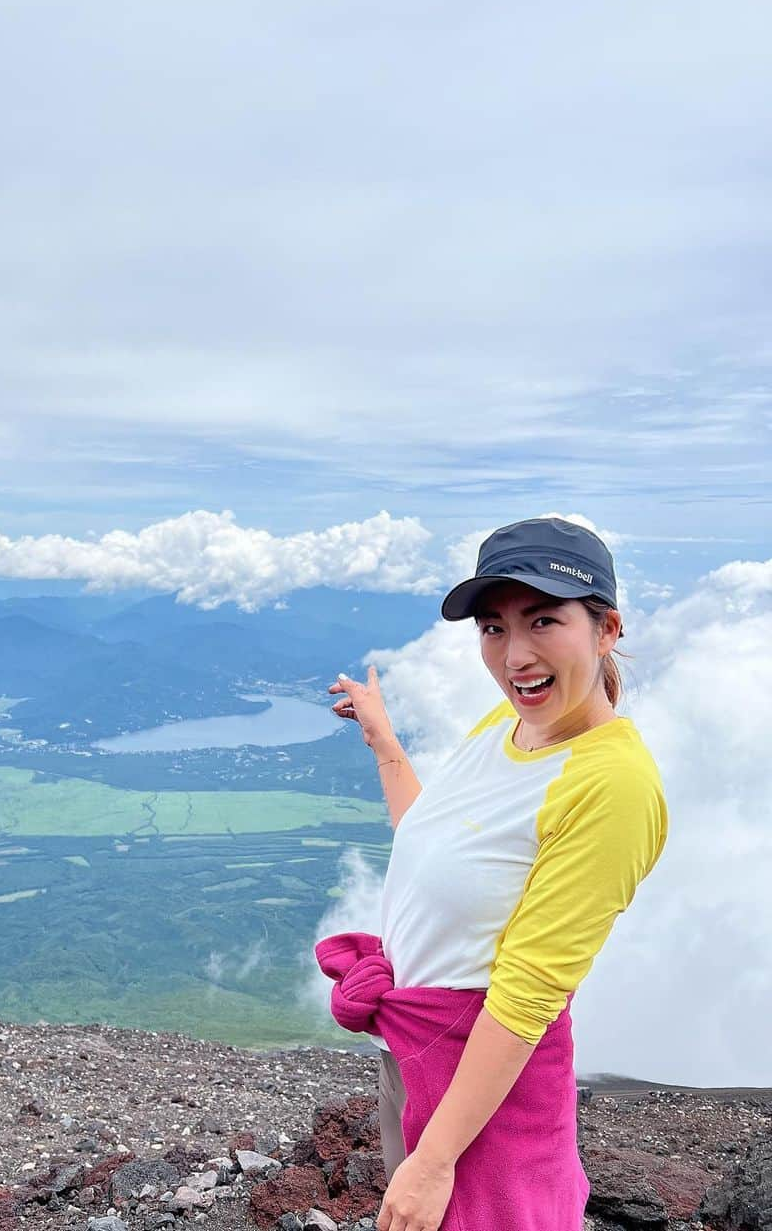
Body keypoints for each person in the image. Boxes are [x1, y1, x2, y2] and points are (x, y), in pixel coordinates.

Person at [317, 516, 669, 1231]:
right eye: (494, 628)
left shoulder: (614, 783)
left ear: (607, 629)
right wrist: (387, 747)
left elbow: (529, 991)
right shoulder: (507, 727)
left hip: (484, 1093)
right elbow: (439, 847)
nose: (515, 655)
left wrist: (436, 1157)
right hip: (417, 1056)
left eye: (544, 620)